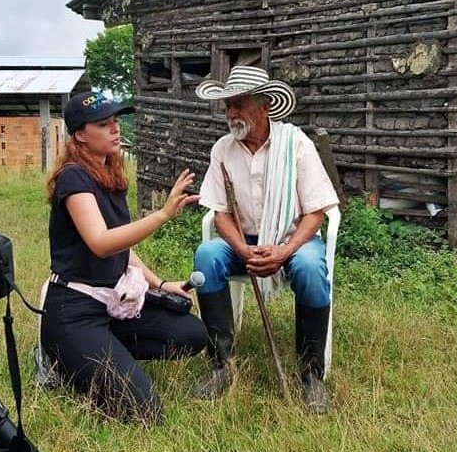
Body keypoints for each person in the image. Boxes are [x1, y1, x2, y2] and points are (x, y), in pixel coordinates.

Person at [40, 91, 208, 423]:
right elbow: (101, 243)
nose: (115, 129)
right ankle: (62, 360)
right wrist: (161, 215)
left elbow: (122, 248)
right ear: (79, 135)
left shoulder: (110, 176)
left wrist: (159, 283)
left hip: (113, 303)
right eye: (103, 124)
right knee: (145, 413)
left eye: (116, 121)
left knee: (192, 335)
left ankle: (97, 355)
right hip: (73, 309)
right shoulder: (74, 177)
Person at [191, 66, 340, 413]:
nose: (231, 113)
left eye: (239, 104)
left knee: (310, 268)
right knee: (208, 255)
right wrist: (242, 248)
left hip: (293, 239)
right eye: (228, 105)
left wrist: (285, 250)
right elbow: (220, 213)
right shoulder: (223, 150)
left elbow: (316, 211)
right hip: (243, 241)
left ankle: (311, 375)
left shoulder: (296, 144)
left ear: (265, 107)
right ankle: (221, 366)